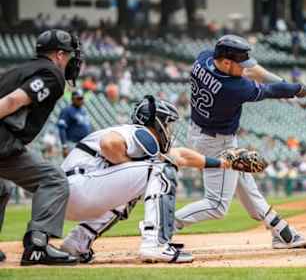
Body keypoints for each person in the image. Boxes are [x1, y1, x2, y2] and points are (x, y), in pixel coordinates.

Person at [175, 34, 306, 253]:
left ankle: (282, 232)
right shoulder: (234, 88)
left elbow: (253, 70)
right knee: (216, 205)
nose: (244, 68)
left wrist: (287, 85)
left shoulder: (203, 59)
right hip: (217, 143)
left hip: (200, 132)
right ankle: (163, 225)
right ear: (225, 62)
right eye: (239, 64)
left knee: (247, 188)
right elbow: (269, 91)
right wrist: (295, 89)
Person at [59, 96, 234, 264]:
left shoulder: (142, 143)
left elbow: (181, 156)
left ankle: (76, 243)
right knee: (160, 168)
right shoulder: (138, 132)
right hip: (79, 185)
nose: (169, 129)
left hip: (68, 196)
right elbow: (109, 143)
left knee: (152, 170)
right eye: (167, 124)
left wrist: (225, 163)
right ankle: (155, 244)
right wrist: (127, 165)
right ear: (157, 122)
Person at [0, 29, 83, 265]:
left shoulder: (18, 70)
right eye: (68, 55)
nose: (70, 60)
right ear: (58, 54)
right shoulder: (52, 73)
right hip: (2, 143)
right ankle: (38, 246)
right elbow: (14, 101)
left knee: (2, 188)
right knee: (53, 179)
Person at [57, 90, 92, 157]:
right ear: (73, 99)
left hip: (83, 144)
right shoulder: (67, 110)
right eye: (79, 98)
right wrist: (64, 146)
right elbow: (61, 129)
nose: (81, 100)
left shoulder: (83, 110)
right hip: (72, 143)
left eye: (82, 98)